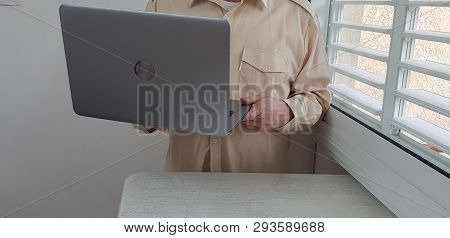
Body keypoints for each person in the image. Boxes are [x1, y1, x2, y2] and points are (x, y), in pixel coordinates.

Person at [140, 0, 331, 173]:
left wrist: (287, 111)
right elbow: (136, 89)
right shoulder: (162, 6)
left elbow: (317, 97)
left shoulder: (299, 16)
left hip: (260, 190)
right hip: (182, 184)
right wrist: (152, 113)